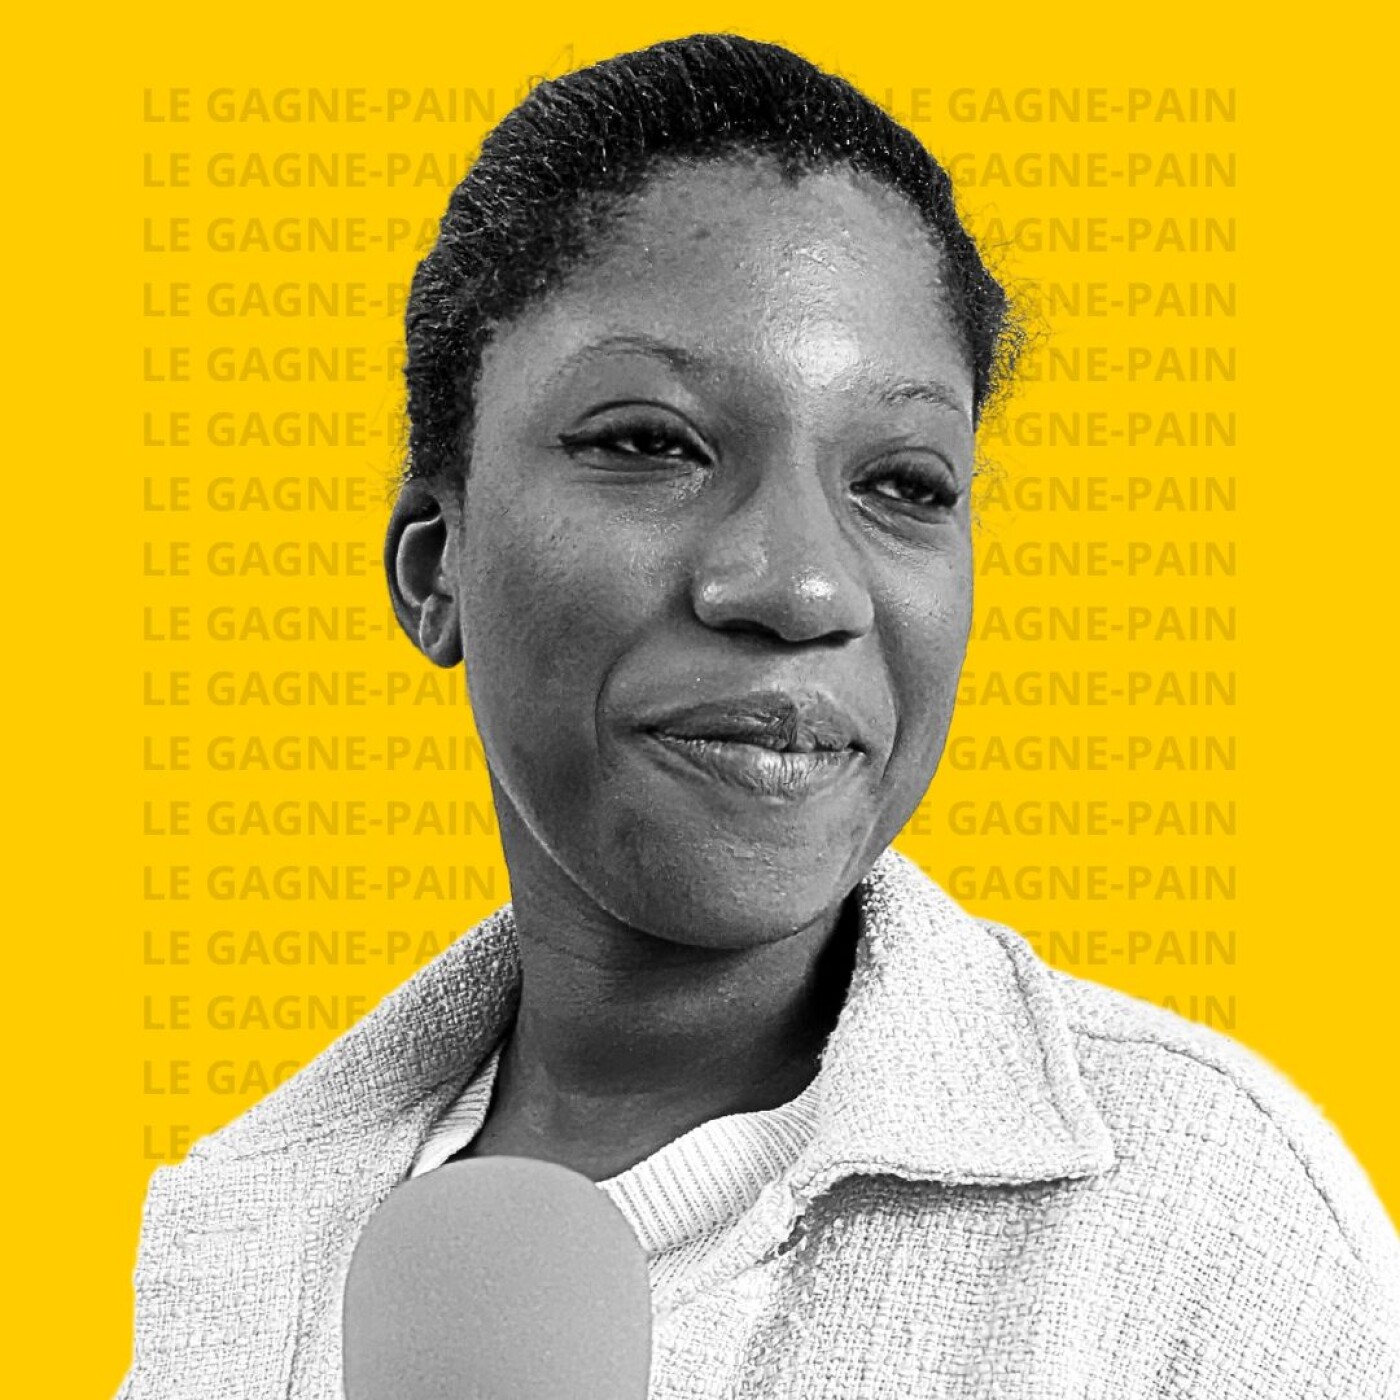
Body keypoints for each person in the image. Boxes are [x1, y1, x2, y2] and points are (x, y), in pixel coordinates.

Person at [118, 32, 1400, 1399]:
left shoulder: (1210, 1223)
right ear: (437, 569)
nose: (798, 586)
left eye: (904, 485)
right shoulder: (240, 1233)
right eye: (649, 443)